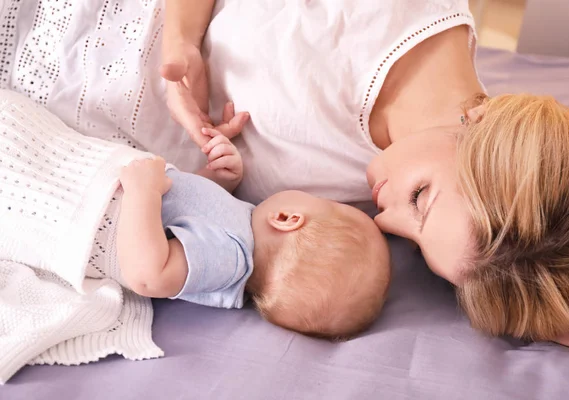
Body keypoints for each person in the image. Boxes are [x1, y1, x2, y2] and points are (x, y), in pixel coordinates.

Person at [4, 2, 569, 351]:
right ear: (488, 124)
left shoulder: (379, 191)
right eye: (420, 200)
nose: (386, 218)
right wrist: (183, 41)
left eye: (412, 239)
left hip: (40, 124)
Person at [0, 89, 391, 339]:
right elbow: (186, 218)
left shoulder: (230, 259)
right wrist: (218, 180)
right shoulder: (234, 236)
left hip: (77, 204)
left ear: (288, 218)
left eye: (329, 204)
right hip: (80, 179)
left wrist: (143, 193)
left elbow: (148, 274)